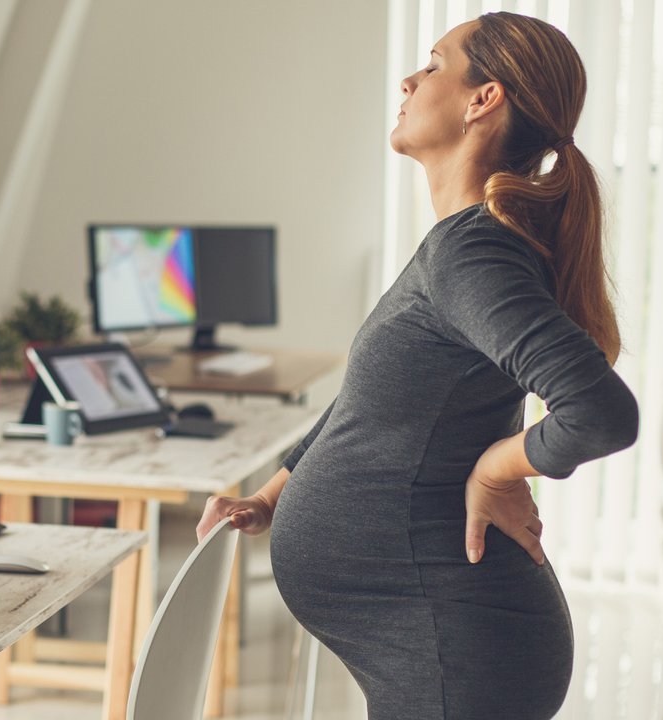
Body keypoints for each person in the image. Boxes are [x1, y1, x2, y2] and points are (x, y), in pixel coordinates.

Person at [196, 12, 639, 720]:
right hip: (440, 643)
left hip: (455, 647)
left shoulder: (475, 252)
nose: (408, 80)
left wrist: (496, 469)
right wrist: (272, 496)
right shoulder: (462, 246)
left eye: (432, 64)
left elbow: (602, 411)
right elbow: (368, 408)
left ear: (482, 99)